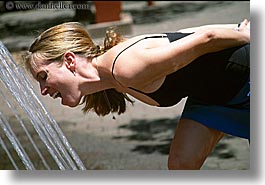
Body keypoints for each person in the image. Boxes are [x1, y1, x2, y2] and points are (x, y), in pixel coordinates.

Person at [22, 19, 250, 170]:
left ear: (70, 61)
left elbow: (207, 37)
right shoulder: (112, 78)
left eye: (44, 77)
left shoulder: (124, 68)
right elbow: (183, 34)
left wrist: (245, 34)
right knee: (182, 165)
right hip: (210, 95)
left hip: (245, 75)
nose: (43, 90)